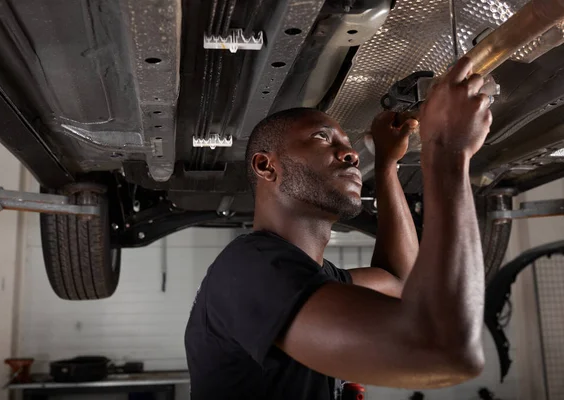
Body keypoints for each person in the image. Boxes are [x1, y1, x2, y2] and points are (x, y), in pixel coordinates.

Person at [184, 57, 492, 400]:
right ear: (265, 165)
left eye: (347, 143)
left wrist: (388, 166)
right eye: (321, 137)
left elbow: (399, 281)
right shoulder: (248, 270)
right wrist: (445, 151)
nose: (351, 154)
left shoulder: (311, 276)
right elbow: (445, 351)